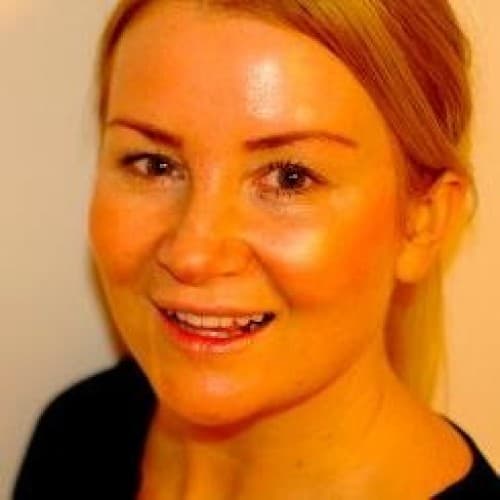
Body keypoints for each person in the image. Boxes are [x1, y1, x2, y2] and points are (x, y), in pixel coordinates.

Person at [13, 0, 500, 498]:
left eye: (290, 178)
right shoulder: (79, 433)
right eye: (155, 164)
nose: (192, 254)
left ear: (423, 222)